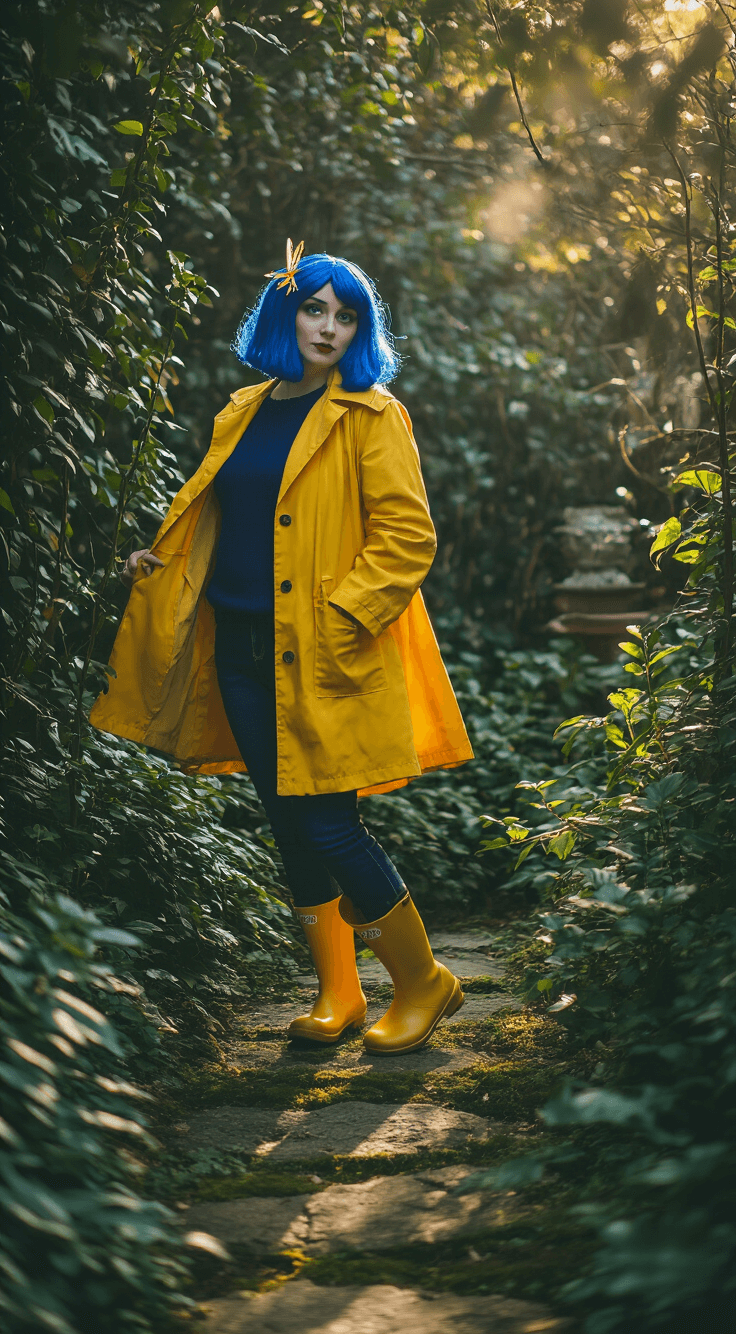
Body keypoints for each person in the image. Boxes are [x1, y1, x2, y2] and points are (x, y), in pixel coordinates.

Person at [90, 241, 473, 1055]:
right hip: (238, 646)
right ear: (284, 312)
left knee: (331, 826)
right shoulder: (244, 408)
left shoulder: (370, 414)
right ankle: (339, 992)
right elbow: (227, 511)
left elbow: (408, 539)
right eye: (314, 308)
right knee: (287, 822)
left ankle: (423, 981)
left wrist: (342, 617)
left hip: (324, 651)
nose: (329, 326)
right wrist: (163, 560)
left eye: (347, 315)